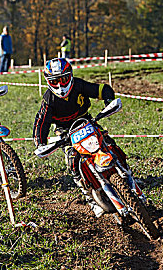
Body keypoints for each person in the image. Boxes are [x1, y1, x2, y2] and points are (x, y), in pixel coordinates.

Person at [33, 58, 115, 217]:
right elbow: (41, 122)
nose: (60, 85)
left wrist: (108, 101)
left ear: (70, 76)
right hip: (65, 132)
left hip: (86, 120)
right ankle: (89, 197)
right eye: (55, 81)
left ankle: (126, 173)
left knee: (108, 142)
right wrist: (40, 143)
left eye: (63, 79)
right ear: (48, 81)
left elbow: (101, 88)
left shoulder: (79, 85)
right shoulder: (48, 99)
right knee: (72, 162)